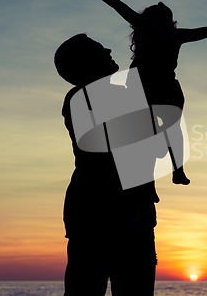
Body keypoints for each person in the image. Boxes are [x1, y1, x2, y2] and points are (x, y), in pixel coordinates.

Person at [64, 0, 207, 186]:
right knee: (145, 131)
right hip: (141, 83)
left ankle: (177, 169)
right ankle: (149, 176)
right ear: (158, 17)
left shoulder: (178, 35)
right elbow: (115, 3)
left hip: (166, 85)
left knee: (173, 126)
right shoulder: (145, 25)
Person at [54, 33, 159, 296]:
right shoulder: (85, 97)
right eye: (100, 49)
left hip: (130, 214)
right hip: (102, 216)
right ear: (85, 63)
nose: (109, 49)